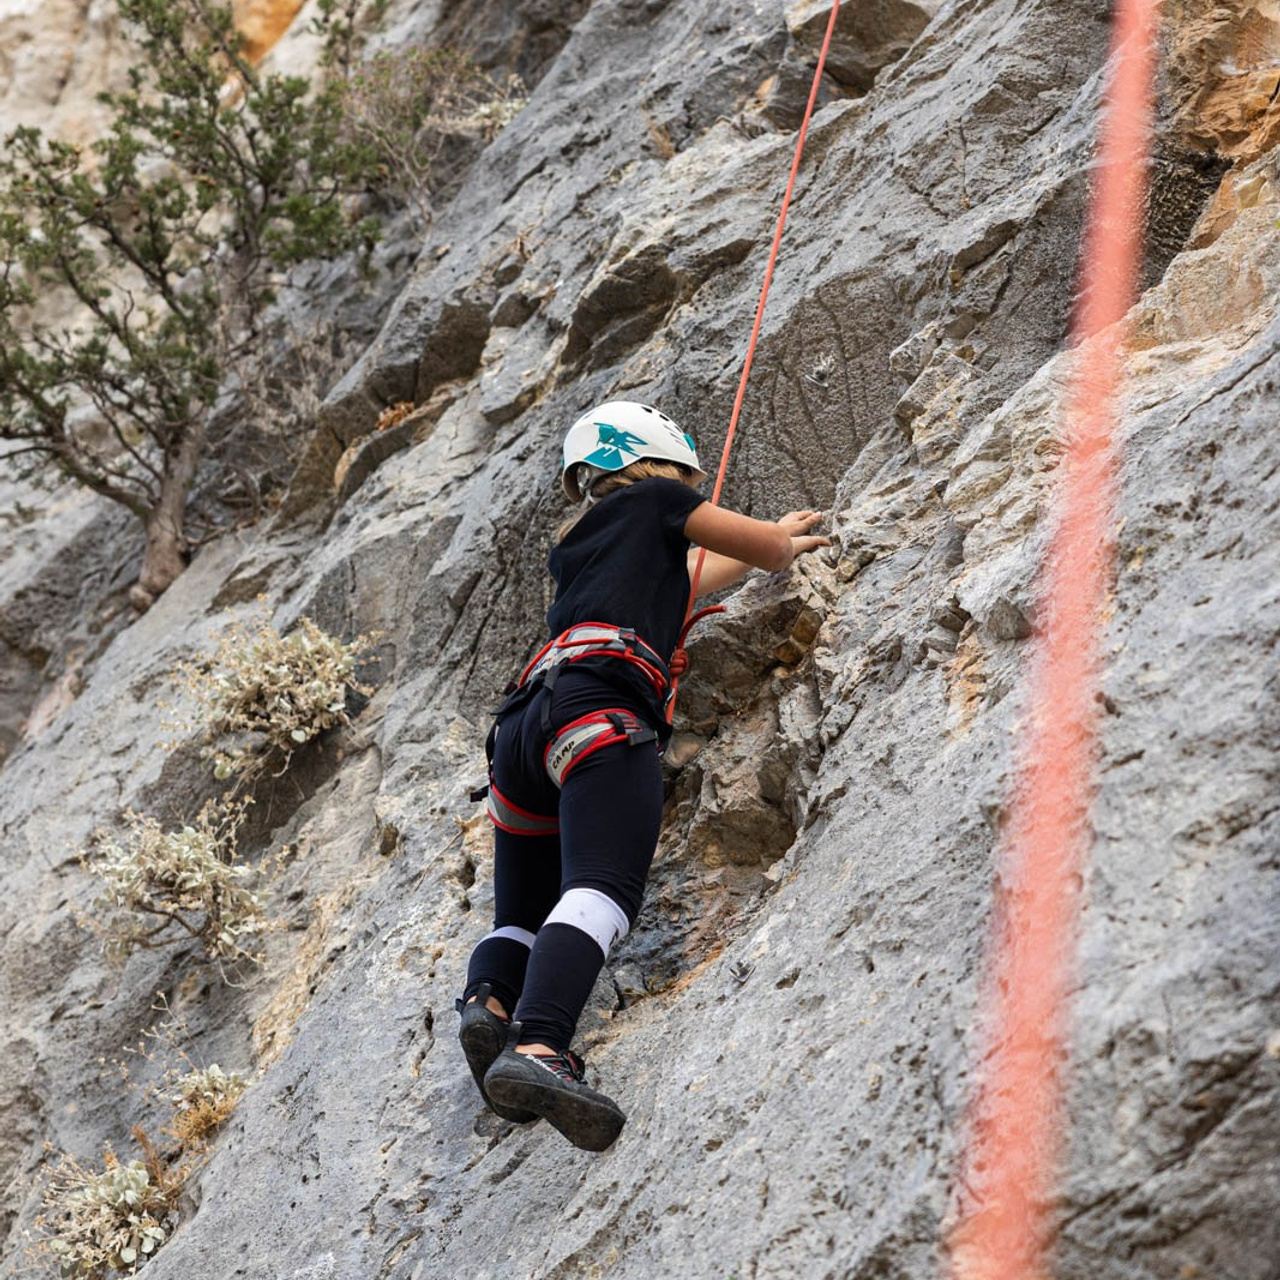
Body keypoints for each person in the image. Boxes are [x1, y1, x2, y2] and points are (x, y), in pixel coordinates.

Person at [457, 400, 829, 1151]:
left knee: (521, 914)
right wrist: (780, 538)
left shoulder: (576, 543)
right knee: (600, 887)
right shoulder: (661, 498)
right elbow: (766, 553)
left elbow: (687, 584)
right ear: (656, 457)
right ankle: (539, 1049)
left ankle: (491, 1006)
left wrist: (757, 547)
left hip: (525, 725)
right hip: (597, 711)